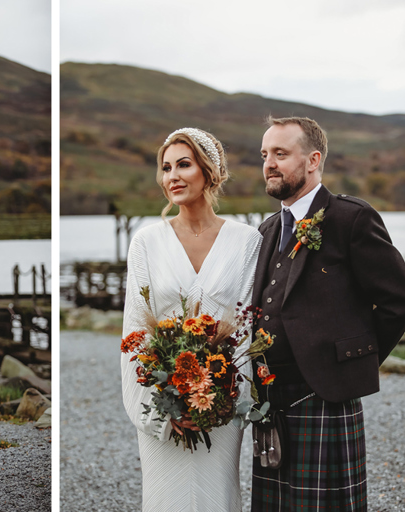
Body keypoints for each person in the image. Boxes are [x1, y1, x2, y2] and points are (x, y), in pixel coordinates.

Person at [251, 116, 405, 511]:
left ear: (313, 159)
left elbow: (396, 301)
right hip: (272, 397)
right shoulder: (267, 230)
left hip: (326, 396)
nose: (269, 163)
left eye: (281, 154)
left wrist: (351, 360)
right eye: (265, 154)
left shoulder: (350, 218)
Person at [121, 128, 262, 511]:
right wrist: (162, 409)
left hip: (221, 406)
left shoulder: (247, 241)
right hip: (163, 403)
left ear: (210, 172)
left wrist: (225, 400)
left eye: (184, 164)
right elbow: (135, 329)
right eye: (166, 168)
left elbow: (247, 330)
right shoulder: (146, 242)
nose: (173, 177)